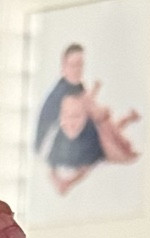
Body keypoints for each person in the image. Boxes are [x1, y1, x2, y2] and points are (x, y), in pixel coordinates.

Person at [35, 43, 140, 195]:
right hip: (65, 142)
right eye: (73, 65)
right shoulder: (59, 95)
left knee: (105, 125)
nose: (77, 70)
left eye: (80, 65)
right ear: (63, 66)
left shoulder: (78, 87)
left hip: (84, 134)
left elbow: (89, 107)